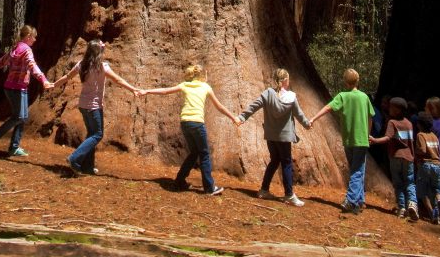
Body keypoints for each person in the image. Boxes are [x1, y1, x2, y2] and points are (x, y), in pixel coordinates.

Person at [141, 62, 240, 196]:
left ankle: (179, 181)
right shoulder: (205, 87)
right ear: (202, 75)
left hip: (185, 123)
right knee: (204, 154)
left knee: (194, 152)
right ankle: (209, 188)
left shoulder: (185, 85)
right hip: (197, 123)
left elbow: (165, 91)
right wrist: (233, 117)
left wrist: (146, 91)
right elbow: (219, 107)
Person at [61, 39, 139, 175]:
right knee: (97, 135)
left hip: (83, 105)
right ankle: (74, 158)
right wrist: (133, 89)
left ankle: (88, 167)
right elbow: (118, 80)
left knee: (91, 134)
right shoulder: (102, 67)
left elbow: (67, 76)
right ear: (99, 52)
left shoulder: (81, 65)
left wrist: (53, 84)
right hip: (94, 106)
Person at [239, 68, 311, 207]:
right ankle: (289, 195)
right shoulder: (291, 97)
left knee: (274, 161)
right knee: (286, 163)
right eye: (288, 79)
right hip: (284, 137)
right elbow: (299, 114)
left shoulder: (267, 94)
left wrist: (242, 117)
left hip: (271, 136)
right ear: (285, 81)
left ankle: (264, 190)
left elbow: (253, 106)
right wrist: (307, 124)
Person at [0, 25, 56, 158]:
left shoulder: (16, 47)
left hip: (13, 88)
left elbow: (3, 60)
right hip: (17, 88)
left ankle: (14, 147)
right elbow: (32, 65)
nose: (35, 40)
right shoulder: (27, 50)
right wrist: (43, 80)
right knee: (20, 117)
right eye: (34, 37)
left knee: (22, 117)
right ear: (29, 37)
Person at [311, 68, 374, 214]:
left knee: (356, 170)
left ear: (345, 82)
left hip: (348, 139)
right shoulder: (364, 97)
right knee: (358, 170)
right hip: (361, 139)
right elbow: (370, 117)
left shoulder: (342, 96)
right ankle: (359, 201)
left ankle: (351, 200)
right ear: (357, 81)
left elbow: (328, 108)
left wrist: (314, 118)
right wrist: (368, 134)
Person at [369, 96, 418, 221]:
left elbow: (387, 138)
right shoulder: (409, 123)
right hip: (408, 157)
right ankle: (412, 203)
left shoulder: (392, 122)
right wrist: (413, 157)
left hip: (396, 156)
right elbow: (411, 142)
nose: (389, 109)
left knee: (398, 183)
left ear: (397, 110)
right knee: (410, 182)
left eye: (391, 107)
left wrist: (375, 140)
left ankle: (401, 208)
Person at [415, 111, 440, 223]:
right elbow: (438, 151)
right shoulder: (435, 137)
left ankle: (432, 213)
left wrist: (415, 152)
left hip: (425, 165)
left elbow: (422, 150)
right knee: (437, 188)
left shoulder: (420, 135)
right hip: (437, 165)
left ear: (419, 124)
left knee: (423, 191)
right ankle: (439, 201)